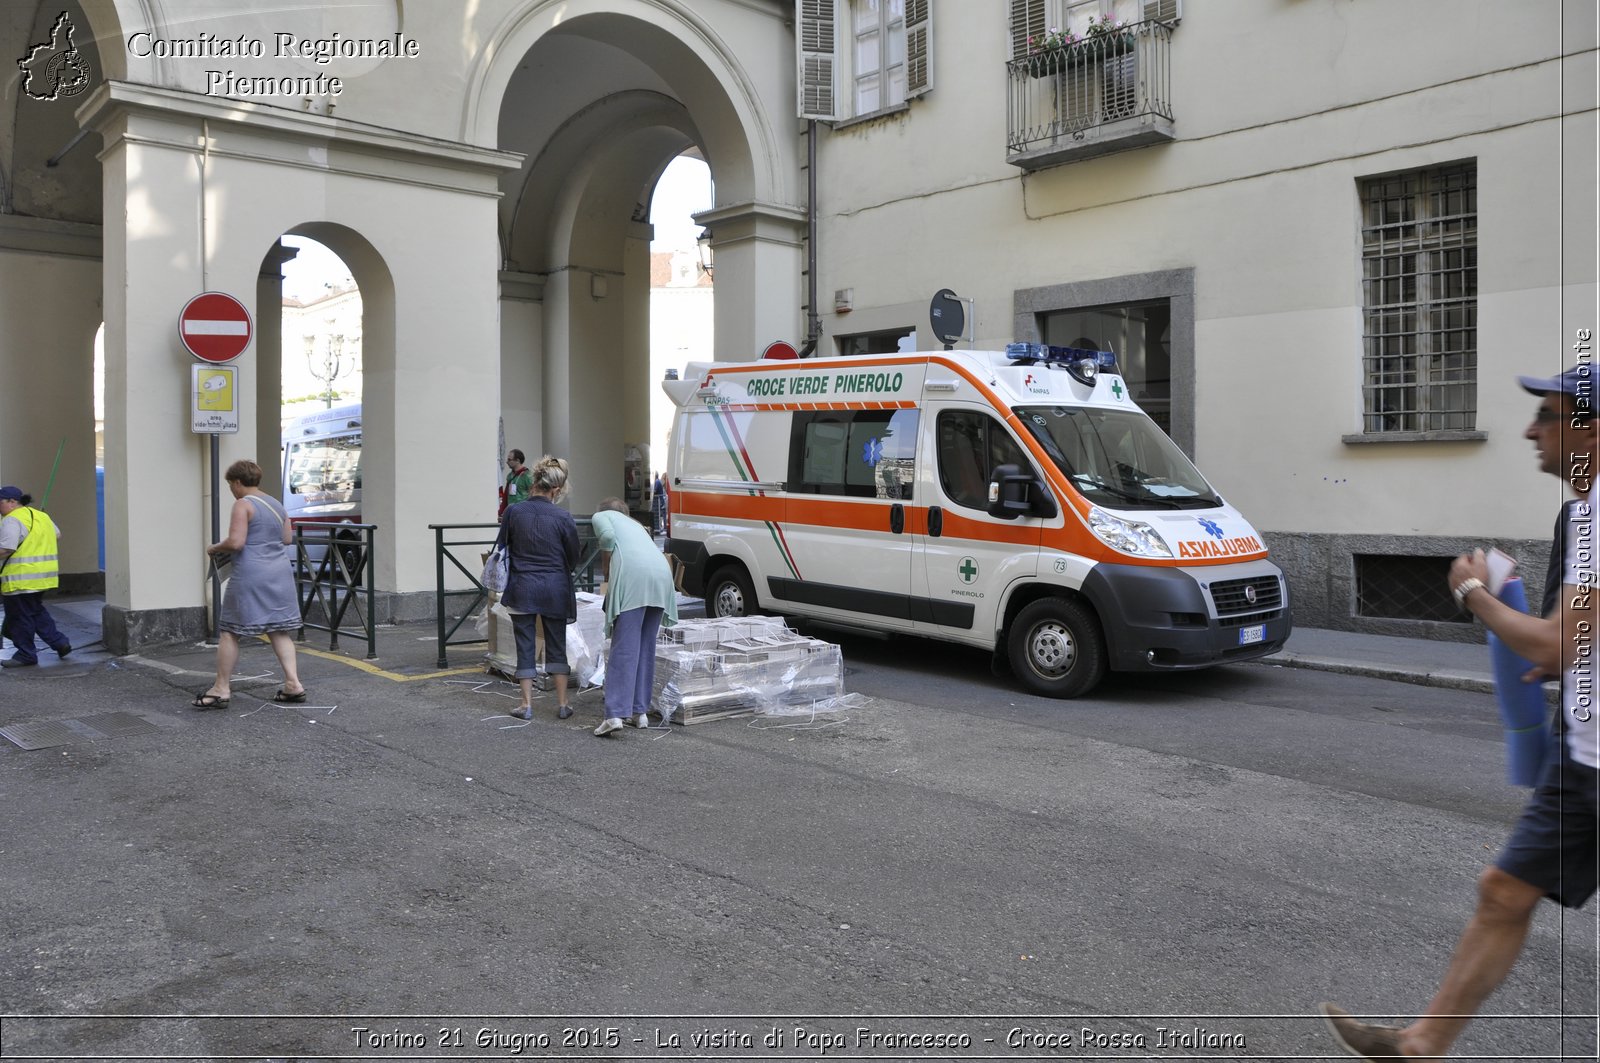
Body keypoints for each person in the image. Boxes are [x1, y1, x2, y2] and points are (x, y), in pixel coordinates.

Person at [1322, 365, 1600, 1060]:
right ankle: (1420, 1045)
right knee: (1504, 889)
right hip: (1584, 754)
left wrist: (1473, 591)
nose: (1532, 429)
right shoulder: (1581, 513)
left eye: (1550, 415)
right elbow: (1565, 648)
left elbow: (1560, 641)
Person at [194, 460, 306, 709]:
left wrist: (214, 547)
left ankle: (221, 688)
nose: (231, 490)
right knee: (278, 629)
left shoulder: (243, 504)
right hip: (279, 572)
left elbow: (236, 542)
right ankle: (293, 684)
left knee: (230, 631)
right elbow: (287, 538)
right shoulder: (276, 504)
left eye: (230, 485)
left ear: (236, 482)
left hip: (252, 573)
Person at [589, 497, 678, 736]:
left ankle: (615, 713)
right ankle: (640, 712)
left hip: (634, 579)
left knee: (624, 649)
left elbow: (607, 538)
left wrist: (607, 568)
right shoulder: (636, 526)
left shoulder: (602, 516)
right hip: (660, 577)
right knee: (645, 647)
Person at [500, 455, 579, 720]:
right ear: (555, 490)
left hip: (522, 586)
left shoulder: (514, 512)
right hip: (555, 587)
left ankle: (525, 705)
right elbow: (573, 557)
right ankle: (563, 703)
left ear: (534, 482)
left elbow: (502, 547)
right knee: (556, 643)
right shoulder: (563, 517)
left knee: (525, 644)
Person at [0, 485, 71, 668]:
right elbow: (57, 534)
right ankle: (59, 642)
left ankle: (26, 655)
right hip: (43, 577)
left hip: (20, 578)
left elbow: (6, 549)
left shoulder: (12, 519)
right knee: (35, 612)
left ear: (12, 502)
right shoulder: (41, 515)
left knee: (19, 617)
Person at [499, 449, 534, 521]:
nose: (507, 462)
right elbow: (506, 495)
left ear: (517, 460)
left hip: (524, 514)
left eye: (509, 459)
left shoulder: (527, 476)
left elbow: (533, 494)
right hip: (511, 513)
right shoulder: (510, 476)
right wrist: (501, 511)